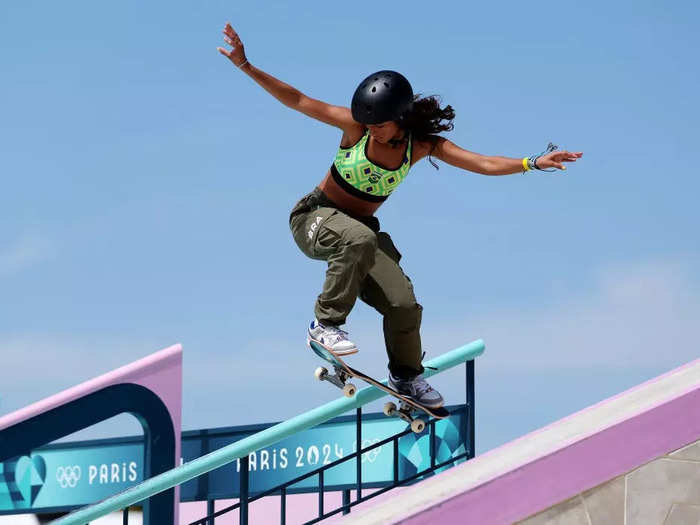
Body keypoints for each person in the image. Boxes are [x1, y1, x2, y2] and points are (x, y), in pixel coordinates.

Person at [218, 23, 582, 408]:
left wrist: (533, 162)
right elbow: (298, 100)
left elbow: (483, 163)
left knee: (403, 304)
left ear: (400, 119)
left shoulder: (422, 146)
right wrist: (246, 66)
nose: (372, 132)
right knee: (358, 238)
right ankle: (324, 324)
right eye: (369, 124)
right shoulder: (353, 128)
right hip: (314, 218)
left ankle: (407, 378)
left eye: (380, 125)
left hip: (360, 232)